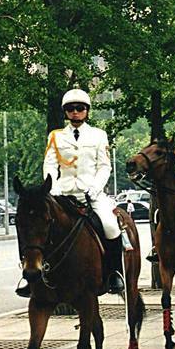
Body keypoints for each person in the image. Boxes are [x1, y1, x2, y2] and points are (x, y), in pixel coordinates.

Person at [37, 88, 126, 295]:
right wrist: (53, 186)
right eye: (70, 109)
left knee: (111, 226)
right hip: (63, 193)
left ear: (87, 111)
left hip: (90, 193)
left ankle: (114, 274)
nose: (75, 112)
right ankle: (36, 275)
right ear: (65, 112)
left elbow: (104, 166)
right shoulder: (56, 136)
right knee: (38, 226)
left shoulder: (98, 135)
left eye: (79, 108)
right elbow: (49, 165)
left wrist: (95, 188)